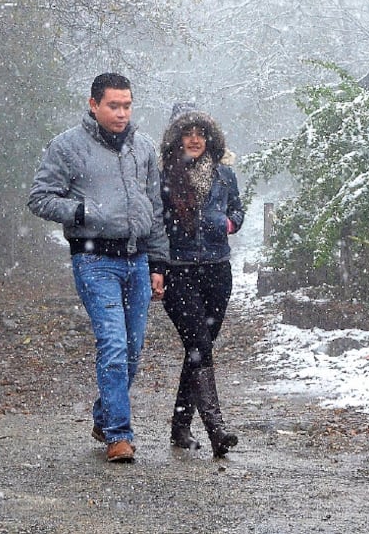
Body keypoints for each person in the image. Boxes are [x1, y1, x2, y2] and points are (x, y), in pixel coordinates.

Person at [27, 72, 169, 463]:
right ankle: (119, 437)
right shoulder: (67, 147)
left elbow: (155, 208)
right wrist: (83, 211)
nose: (121, 113)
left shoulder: (143, 148)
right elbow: (39, 198)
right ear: (94, 104)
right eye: (113, 105)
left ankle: (104, 416)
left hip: (138, 260)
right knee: (113, 343)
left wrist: (158, 261)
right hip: (93, 260)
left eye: (126, 105)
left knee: (134, 349)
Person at [159, 103, 244, 458]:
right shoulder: (163, 175)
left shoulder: (225, 175)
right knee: (199, 345)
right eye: (187, 133)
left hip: (217, 270)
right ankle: (216, 429)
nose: (194, 139)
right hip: (179, 270)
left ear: (210, 137)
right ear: (176, 138)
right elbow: (155, 223)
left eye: (200, 133)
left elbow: (238, 208)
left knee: (199, 348)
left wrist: (229, 224)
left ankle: (180, 426)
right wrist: (157, 266)